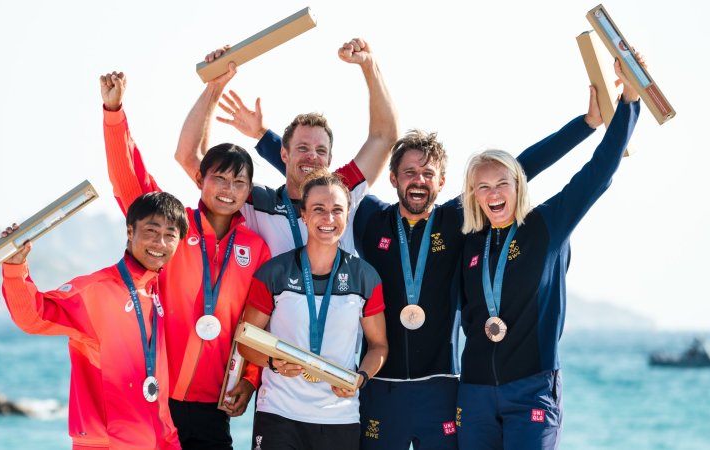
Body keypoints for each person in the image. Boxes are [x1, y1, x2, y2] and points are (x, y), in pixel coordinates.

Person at [253, 82, 604, 450]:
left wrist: (586, 124)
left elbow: (521, 168)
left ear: (442, 182)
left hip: (442, 388)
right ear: (393, 179)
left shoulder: (456, 219)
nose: (418, 181)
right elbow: (315, 181)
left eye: (427, 174)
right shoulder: (369, 217)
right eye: (408, 172)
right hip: (379, 389)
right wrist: (266, 141)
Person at [456, 58, 642, 449]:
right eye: (482, 187)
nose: (493, 194)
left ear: (517, 185)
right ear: (473, 194)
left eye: (502, 184)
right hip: (474, 392)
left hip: (532, 390)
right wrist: (585, 124)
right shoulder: (470, 236)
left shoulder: (547, 226)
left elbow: (598, 172)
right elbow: (513, 169)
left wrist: (627, 102)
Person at [101, 71, 271, 449]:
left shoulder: (255, 248)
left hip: (214, 404)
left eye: (239, 183)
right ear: (200, 179)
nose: (228, 190)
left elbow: (258, 321)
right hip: (156, 396)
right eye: (220, 179)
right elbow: (128, 180)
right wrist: (114, 114)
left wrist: (250, 380)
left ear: (248, 190)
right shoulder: (173, 226)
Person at [175, 38, 399, 256]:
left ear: (330, 160)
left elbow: (385, 137)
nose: (312, 156)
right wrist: (214, 87)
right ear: (284, 153)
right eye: (302, 148)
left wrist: (370, 66)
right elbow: (189, 157)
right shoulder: (256, 200)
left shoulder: (344, 190)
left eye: (321, 151)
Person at [0, 192, 188, 449]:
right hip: (104, 443)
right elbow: (32, 316)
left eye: (170, 235)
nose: (160, 242)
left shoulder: (160, 291)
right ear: (130, 231)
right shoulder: (95, 290)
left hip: (161, 440)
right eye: (152, 231)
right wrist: (15, 269)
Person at [238, 171, 388, 450]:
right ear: (304, 215)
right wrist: (273, 362)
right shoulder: (274, 272)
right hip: (278, 412)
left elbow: (378, 346)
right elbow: (246, 341)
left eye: (337, 210)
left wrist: (361, 378)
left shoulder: (365, 277)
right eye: (319, 209)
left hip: (339, 416)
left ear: (347, 215)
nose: (328, 219)